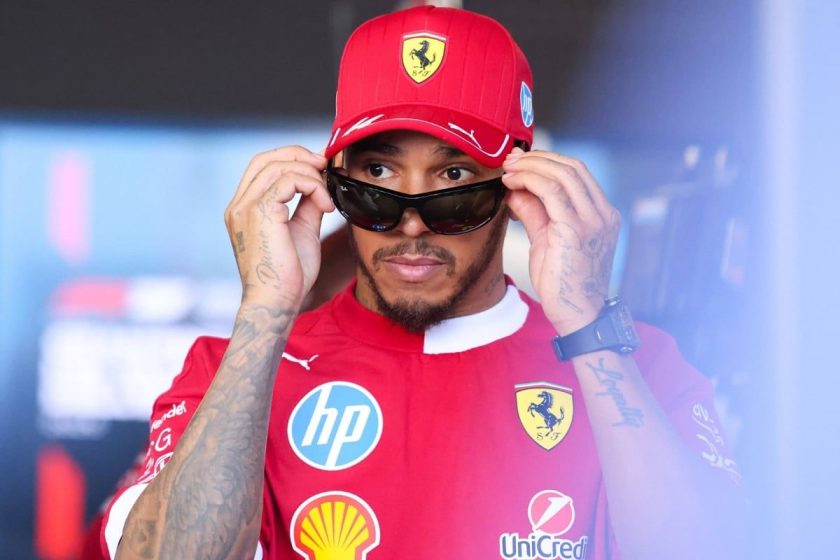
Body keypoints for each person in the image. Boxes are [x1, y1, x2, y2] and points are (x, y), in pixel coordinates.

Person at [101, 6, 744, 560]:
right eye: (378, 175)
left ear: (521, 185)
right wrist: (266, 309)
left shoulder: (636, 370)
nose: (411, 222)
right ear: (331, 180)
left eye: (454, 178)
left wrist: (586, 321)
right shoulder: (235, 373)